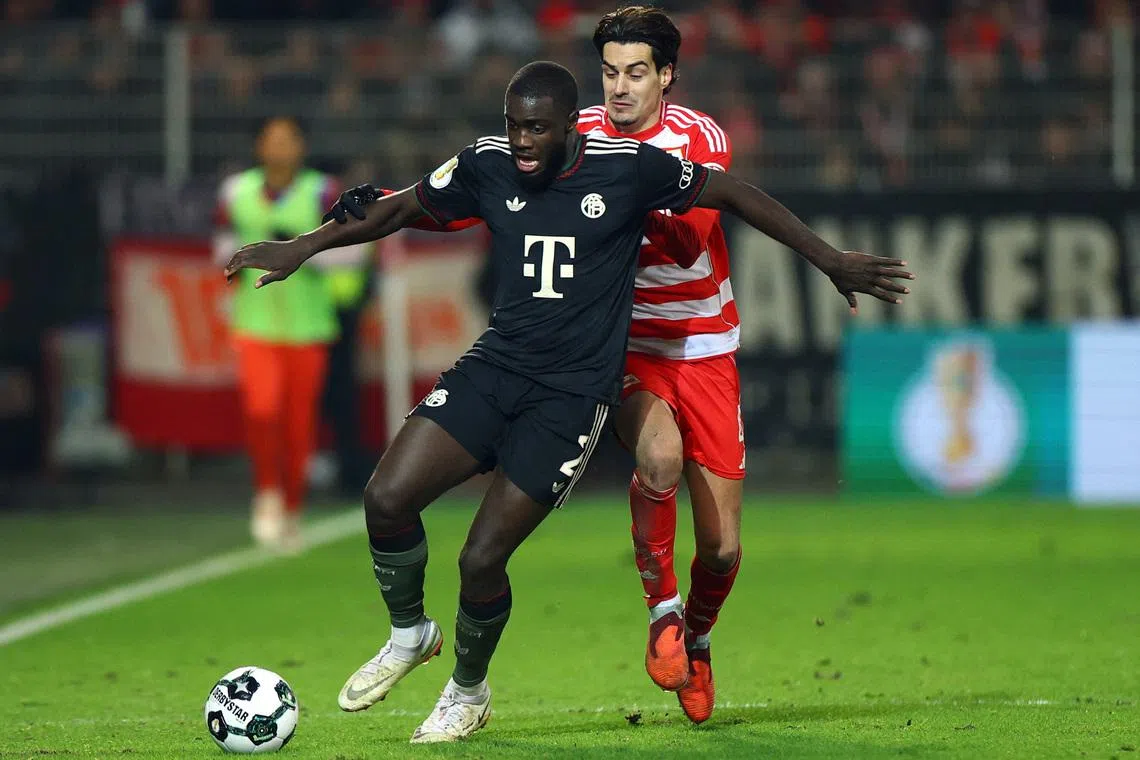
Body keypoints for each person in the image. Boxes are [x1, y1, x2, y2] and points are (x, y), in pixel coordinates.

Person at [224, 61, 913, 744]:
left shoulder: (626, 167)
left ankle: (467, 691)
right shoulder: (488, 163)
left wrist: (828, 258)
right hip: (494, 368)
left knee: (480, 560)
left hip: (571, 398)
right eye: (513, 126)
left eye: (537, 130)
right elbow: (404, 206)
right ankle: (410, 634)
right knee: (385, 499)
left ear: (567, 128)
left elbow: (732, 193)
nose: (521, 141)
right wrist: (305, 246)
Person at [213, 116, 368, 552]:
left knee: (299, 423)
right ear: (259, 147)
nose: (280, 148)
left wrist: (302, 251)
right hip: (255, 322)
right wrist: (252, 253)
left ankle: (293, 509)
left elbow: (353, 255)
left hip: (308, 324)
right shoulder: (236, 193)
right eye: (272, 140)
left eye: (288, 140)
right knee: (261, 411)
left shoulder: (323, 192)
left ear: (301, 147)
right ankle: (267, 494)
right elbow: (221, 249)